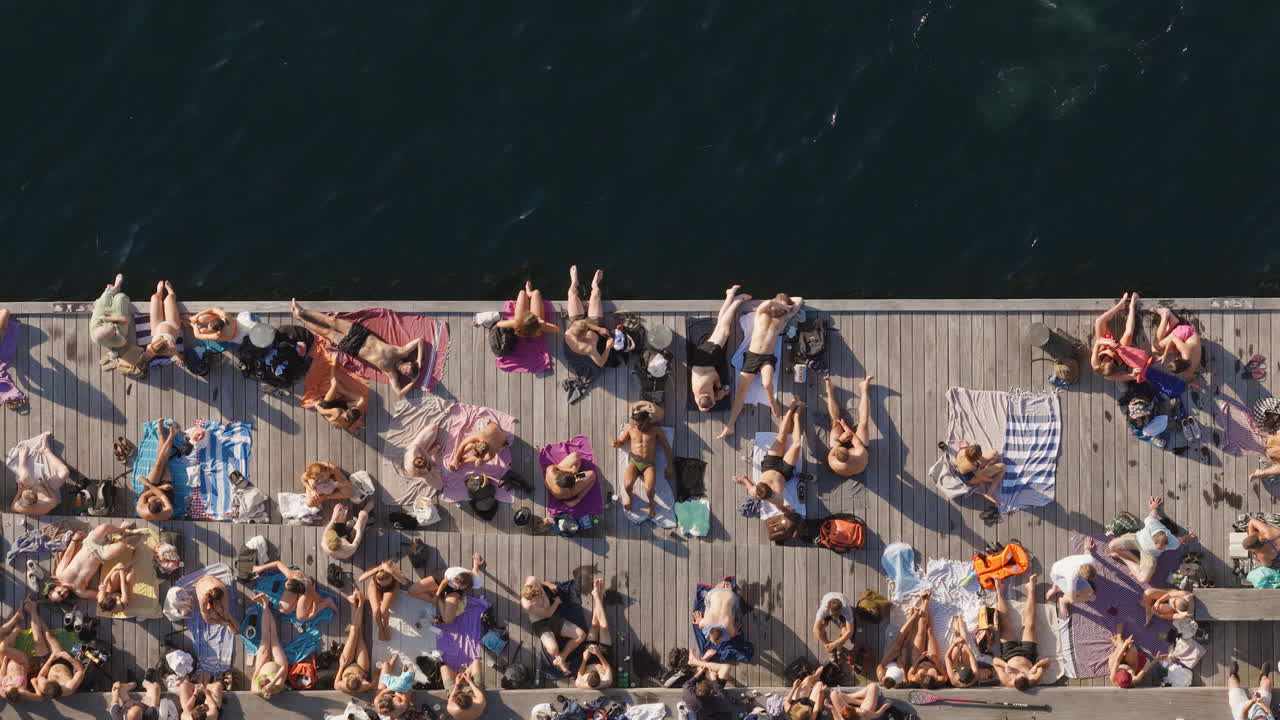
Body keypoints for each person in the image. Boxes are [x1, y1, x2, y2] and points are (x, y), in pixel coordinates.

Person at [291, 298, 425, 396]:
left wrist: (413, 381)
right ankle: (302, 311)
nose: (404, 370)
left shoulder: (391, 372)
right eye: (407, 369)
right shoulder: (401, 352)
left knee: (327, 333)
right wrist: (419, 360)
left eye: (405, 373)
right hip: (362, 334)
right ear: (409, 362)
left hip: (353, 347)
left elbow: (399, 393)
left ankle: (300, 319)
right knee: (333, 321)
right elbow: (419, 341)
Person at [718, 293, 804, 438]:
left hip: (767, 358)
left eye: (782, 308)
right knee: (741, 393)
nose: (778, 310)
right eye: (777, 306)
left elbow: (799, 300)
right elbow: (767, 303)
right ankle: (730, 426)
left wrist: (786, 307)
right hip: (752, 356)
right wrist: (781, 305)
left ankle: (772, 401)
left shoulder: (784, 318)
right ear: (774, 303)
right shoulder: (761, 312)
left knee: (767, 383)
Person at [732, 400, 805, 514]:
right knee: (797, 445)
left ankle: (791, 407)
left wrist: (743, 479)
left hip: (770, 465)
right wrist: (786, 510)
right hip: (784, 472)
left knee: (781, 437)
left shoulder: (754, 491)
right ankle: (796, 417)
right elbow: (781, 507)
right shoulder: (777, 499)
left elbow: (749, 485)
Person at [48, 523, 147, 603]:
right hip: (101, 555)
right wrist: (113, 595)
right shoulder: (80, 592)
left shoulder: (60, 574)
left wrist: (74, 539)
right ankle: (124, 538)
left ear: (56, 588)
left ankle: (121, 529)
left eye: (59, 592)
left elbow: (67, 556)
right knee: (123, 545)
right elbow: (99, 596)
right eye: (63, 596)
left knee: (104, 527)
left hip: (89, 545)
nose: (63, 593)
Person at [1108, 496, 1197, 583]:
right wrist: (1154, 507)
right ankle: (1138, 563)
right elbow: (1152, 512)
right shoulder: (1151, 523)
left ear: (1167, 541)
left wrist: (1187, 537)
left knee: (1143, 580)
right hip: (1136, 539)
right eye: (1157, 546)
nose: (1160, 549)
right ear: (1153, 537)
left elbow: (1181, 539)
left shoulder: (1173, 542)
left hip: (1149, 555)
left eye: (1162, 548)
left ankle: (1122, 557)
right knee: (1112, 546)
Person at [692, 285, 752, 411]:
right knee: (720, 325)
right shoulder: (698, 398)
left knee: (724, 331)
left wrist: (720, 388)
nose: (714, 400)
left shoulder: (704, 386)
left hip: (707, 357)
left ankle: (737, 301)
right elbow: (703, 408)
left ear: (708, 394)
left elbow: (714, 375)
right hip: (700, 358)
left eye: (712, 398)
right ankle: (730, 295)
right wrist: (716, 396)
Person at [612, 402, 673, 516]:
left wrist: (669, 465)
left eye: (639, 423)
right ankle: (630, 497)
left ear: (646, 420)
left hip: (648, 465)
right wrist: (617, 443)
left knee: (649, 488)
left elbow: (666, 446)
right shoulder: (631, 428)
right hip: (634, 463)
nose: (636, 426)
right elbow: (622, 442)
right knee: (627, 485)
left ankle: (651, 504)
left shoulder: (655, 429)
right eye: (635, 423)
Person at [991, 574, 1051, 691]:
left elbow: (995, 661)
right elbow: (1048, 661)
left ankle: (999, 590)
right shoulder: (1033, 679)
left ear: (1014, 680)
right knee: (1030, 624)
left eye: (1019, 674)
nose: (1021, 672)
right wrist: (1037, 666)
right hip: (1028, 653)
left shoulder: (1007, 680)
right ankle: (1031, 588)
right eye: (1024, 674)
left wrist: (1005, 665)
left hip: (1009, 653)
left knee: (1004, 623)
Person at [520, 576, 588, 674]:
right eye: (536, 598)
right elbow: (548, 613)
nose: (540, 597)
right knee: (553, 649)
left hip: (553, 618)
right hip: (540, 623)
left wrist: (548, 584)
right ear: (530, 599)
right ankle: (558, 657)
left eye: (539, 592)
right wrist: (557, 602)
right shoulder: (527, 605)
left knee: (581, 635)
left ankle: (562, 657)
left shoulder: (532, 580)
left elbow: (537, 579)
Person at [409, 553, 485, 625]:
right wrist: (436, 595)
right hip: (442, 579)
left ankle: (440, 600)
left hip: (453, 592)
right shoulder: (452, 573)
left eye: (459, 587)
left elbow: (474, 571)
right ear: (455, 578)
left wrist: (476, 565)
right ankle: (439, 599)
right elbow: (443, 583)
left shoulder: (476, 582)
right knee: (412, 591)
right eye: (456, 585)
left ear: (467, 585)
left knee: (448, 620)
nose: (457, 587)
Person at [1091, 292, 1152, 381]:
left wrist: (1109, 342)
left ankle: (1120, 305)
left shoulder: (1095, 363)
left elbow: (1097, 342)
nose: (1111, 360)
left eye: (1108, 360)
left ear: (1101, 364)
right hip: (1120, 352)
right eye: (1113, 362)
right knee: (1129, 333)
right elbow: (1130, 377)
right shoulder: (1109, 376)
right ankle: (1132, 306)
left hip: (1104, 345)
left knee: (1099, 321)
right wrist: (1133, 374)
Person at [250, 561, 337, 623]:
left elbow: (316, 599)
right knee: (282, 609)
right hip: (299, 584)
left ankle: (327, 603)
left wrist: (313, 612)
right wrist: (260, 568)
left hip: (306, 590)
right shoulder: (291, 575)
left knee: (301, 617)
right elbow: (277, 563)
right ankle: (297, 605)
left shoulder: (308, 588)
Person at [10, 433, 71, 516]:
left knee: (24, 477)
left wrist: (20, 491)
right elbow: (55, 499)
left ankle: (22, 460)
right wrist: (46, 485)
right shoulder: (48, 504)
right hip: (45, 487)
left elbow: (12, 507)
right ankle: (46, 451)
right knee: (65, 472)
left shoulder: (18, 506)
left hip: (30, 485)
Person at [562, 266, 612, 367]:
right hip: (595, 327)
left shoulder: (568, 334)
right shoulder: (588, 348)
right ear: (584, 333)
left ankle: (574, 282)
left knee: (571, 293)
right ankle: (595, 284)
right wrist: (608, 347)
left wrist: (598, 329)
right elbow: (601, 363)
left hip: (580, 323)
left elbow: (582, 323)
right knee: (596, 294)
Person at [825, 375, 873, 478]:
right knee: (863, 424)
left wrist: (840, 440)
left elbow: (847, 440)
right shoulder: (859, 454)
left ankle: (830, 391)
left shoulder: (833, 459)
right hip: (857, 450)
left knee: (835, 423)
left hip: (844, 447)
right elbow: (856, 442)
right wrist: (845, 428)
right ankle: (864, 388)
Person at [574, 578, 615, 690]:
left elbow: (580, 673)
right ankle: (597, 596)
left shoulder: (580, 683)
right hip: (604, 656)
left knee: (594, 625)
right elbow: (607, 668)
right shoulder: (606, 682)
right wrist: (598, 654)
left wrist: (585, 659)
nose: (594, 670)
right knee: (604, 626)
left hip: (589, 657)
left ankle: (598, 595)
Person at [335, 591, 378, 695]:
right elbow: (373, 684)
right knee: (359, 634)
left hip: (346, 665)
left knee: (354, 632)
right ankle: (356, 604)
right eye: (360, 678)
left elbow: (335, 685)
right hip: (362, 667)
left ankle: (357, 604)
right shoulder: (364, 686)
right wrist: (378, 672)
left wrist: (341, 666)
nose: (357, 676)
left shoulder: (342, 685)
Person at [0, 600, 42, 702]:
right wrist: (34, 682)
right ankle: (17, 630)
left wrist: (5, 660)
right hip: (22, 662)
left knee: (2, 645)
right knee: (3, 647)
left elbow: (2, 674)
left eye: (6, 686)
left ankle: (16, 619)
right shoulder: (21, 691)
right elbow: (40, 698)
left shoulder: (3, 692)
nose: (7, 685)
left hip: (6, 662)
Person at [691, 579, 744, 659]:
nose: (715, 644)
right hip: (716, 593)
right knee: (712, 602)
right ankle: (720, 589)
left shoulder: (730, 631)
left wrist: (735, 631)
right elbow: (700, 624)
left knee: (732, 608)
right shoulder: (705, 624)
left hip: (731, 595)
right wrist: (699, 621)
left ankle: (723, 589)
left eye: (714, 641)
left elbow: (733, 634)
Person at [136, 420, 178, 521]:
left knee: (159, 463)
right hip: (166, 492)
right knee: (165, 464)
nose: (158, 498)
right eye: (160, 501)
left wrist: (149, 485)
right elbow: (161, 494)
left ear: (148, 503)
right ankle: (169, 435)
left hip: (148, 492)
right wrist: (161, 487)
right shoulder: (167, 511)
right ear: (162, 507)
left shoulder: (141, 509)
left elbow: (145, 495)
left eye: (156, 499)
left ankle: (163, 434)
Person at [359, 560, 409, 642]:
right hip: (375, 587)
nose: (383, 584)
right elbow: (360, 579)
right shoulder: (377, 569)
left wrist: (390, 571)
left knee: (383, 609)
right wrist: (377, 569)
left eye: (386, 581)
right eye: (381, 582)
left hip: (390, 589)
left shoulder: (393, 571)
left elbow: (404, 581)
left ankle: (386, 626)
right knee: (375, 611)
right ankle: (380, 628)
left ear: (390, 577)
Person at [249, 593, 287, 698]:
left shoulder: (256, 689)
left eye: (263, 679)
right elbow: (283, 668)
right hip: (278, 665)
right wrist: (272, 682)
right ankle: (266, 604)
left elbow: (254, 677)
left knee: (265, 637)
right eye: (266, 680)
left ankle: (265, 605)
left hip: (262, 666)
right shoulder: (278, 685)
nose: (265, 678)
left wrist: (259, 666)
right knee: (273, 638)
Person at [1151, 306, 1202, 382]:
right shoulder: (1185, 352)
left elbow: (1189, 376)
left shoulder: (1191, 368)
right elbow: (1173, 339)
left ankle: (1172, 321)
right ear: (1177, 359)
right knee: (1157, 346)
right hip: (1187, 332)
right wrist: (1165, 354)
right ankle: (1165, 314)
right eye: (1173, 360)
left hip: (1186, 342)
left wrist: (1192, 381)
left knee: (1154, 350)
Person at [1107, 622, 1165, 688]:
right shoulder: (1135, 680)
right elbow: (1145, 669)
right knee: (1132, 648)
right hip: (1130, 666)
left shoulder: (1113, 678)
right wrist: (1156, 659)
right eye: (1126, 672)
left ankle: (1119, 636)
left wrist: (1125, 644)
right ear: (1131, 679)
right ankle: (1118, 641)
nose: (1123, 669)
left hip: (1116, 662)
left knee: (1121, 647)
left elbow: (1117, 660)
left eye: (1121, 671)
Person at [313, 360, 367, 431]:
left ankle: (333, 364)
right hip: (340, 407)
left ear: (348, 410)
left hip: (327, 406)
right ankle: (341, 390)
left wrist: (315, 404)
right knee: (361, 400)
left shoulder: (336, 411)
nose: (355, 407)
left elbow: (322, 411)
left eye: (353, 408)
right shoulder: (351, 420)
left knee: (334, 385)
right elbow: (350, 426)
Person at [1045, 539, 1098, 608]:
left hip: (1059, 568)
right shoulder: (1072, 578)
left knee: (1083, 590)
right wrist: (1089, 598)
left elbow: (1087, 552)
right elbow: (1072, 600)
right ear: (1082, 577)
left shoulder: (1090, 560)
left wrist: (1087, 548)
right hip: (1057, 576)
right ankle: (1062, 601)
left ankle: (1056, 588)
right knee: (1084, 592)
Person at [143, 281, 186, 366]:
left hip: (157, 326)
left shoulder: (150, 348)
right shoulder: (171, 349)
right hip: (172, 325)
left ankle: (159, 292)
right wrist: (179, 358)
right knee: (169, 298)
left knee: (154, 298)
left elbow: (145, 357)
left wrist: (143, 358)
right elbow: (181, 357)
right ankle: (171, 291)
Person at [943, 615, 993, 688]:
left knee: (956, 649)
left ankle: (956, 633)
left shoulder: (954, 680)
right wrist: (964, 643)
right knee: (964, 649)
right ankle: (961, 631)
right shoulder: (975, 675)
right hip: (966, 664)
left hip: (954, 666)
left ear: (957, 676)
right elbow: (970, 655)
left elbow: (946, 656)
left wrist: (954, 643)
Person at [89, 273, 134, 350]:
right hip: (119, 327)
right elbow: (125, 342)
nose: (110, 325)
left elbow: (100, 314)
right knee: (120, 298)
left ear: (100, 326)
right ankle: (116, 293)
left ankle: (116, 287)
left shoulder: (95, 326)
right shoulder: (116, 341)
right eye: (113, 330)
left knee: (103, 300)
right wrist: (117, 321)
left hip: (104, 317)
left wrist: (110, 318)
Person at [954, 442, 1004, 506]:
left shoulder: (963, 450)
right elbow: (980, 476)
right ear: (976, 457)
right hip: (972, 478)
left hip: (971, 463)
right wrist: (992, 480)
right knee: (1002, 466)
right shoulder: (972, 465)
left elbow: (964, 445)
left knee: (995, 453)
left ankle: (986, 467)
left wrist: (965, 444)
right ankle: (989, 493)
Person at [372, 651, 416, 719]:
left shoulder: (377, 701)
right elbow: (408, 692)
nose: (390, 695)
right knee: (411, 671)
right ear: (393, 704)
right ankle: (403, 675)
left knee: (386, 664)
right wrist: (403, 678)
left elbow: (383, 691)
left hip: (391, 689)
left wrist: (392, 687)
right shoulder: (400, 708)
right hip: (399, 695)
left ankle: (391, 664)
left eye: (385, 696)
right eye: (390, 696)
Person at [812, 592, 856, 657]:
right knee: (820, 629)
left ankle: (839, 647)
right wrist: (827, 643)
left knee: (845, 632)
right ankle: (830, 648)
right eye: (833, 615)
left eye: (836, 614)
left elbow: (850, 632)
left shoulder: (846, 609)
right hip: (829, 610)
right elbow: (815, 630)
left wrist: (836, 643)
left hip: (841, 612)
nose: (834, 617)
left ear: (841, 609)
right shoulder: (823, 610)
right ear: (828, 608)